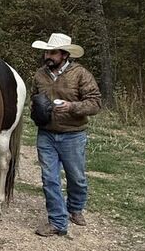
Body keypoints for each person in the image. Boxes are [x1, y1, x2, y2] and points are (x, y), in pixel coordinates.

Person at [30, 32, 102, 237]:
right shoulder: (40, 75)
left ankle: (75, 208)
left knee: (76, 177)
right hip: (46, 134)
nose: (48, 56)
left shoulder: (80, 74)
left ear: (64, 54)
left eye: (53, 53)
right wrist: (37, 111)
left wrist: (72, 107)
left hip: (73, 135)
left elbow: (95, 103)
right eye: (47, 53)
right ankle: (57, 221)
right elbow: (34, 99)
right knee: (49, 178)